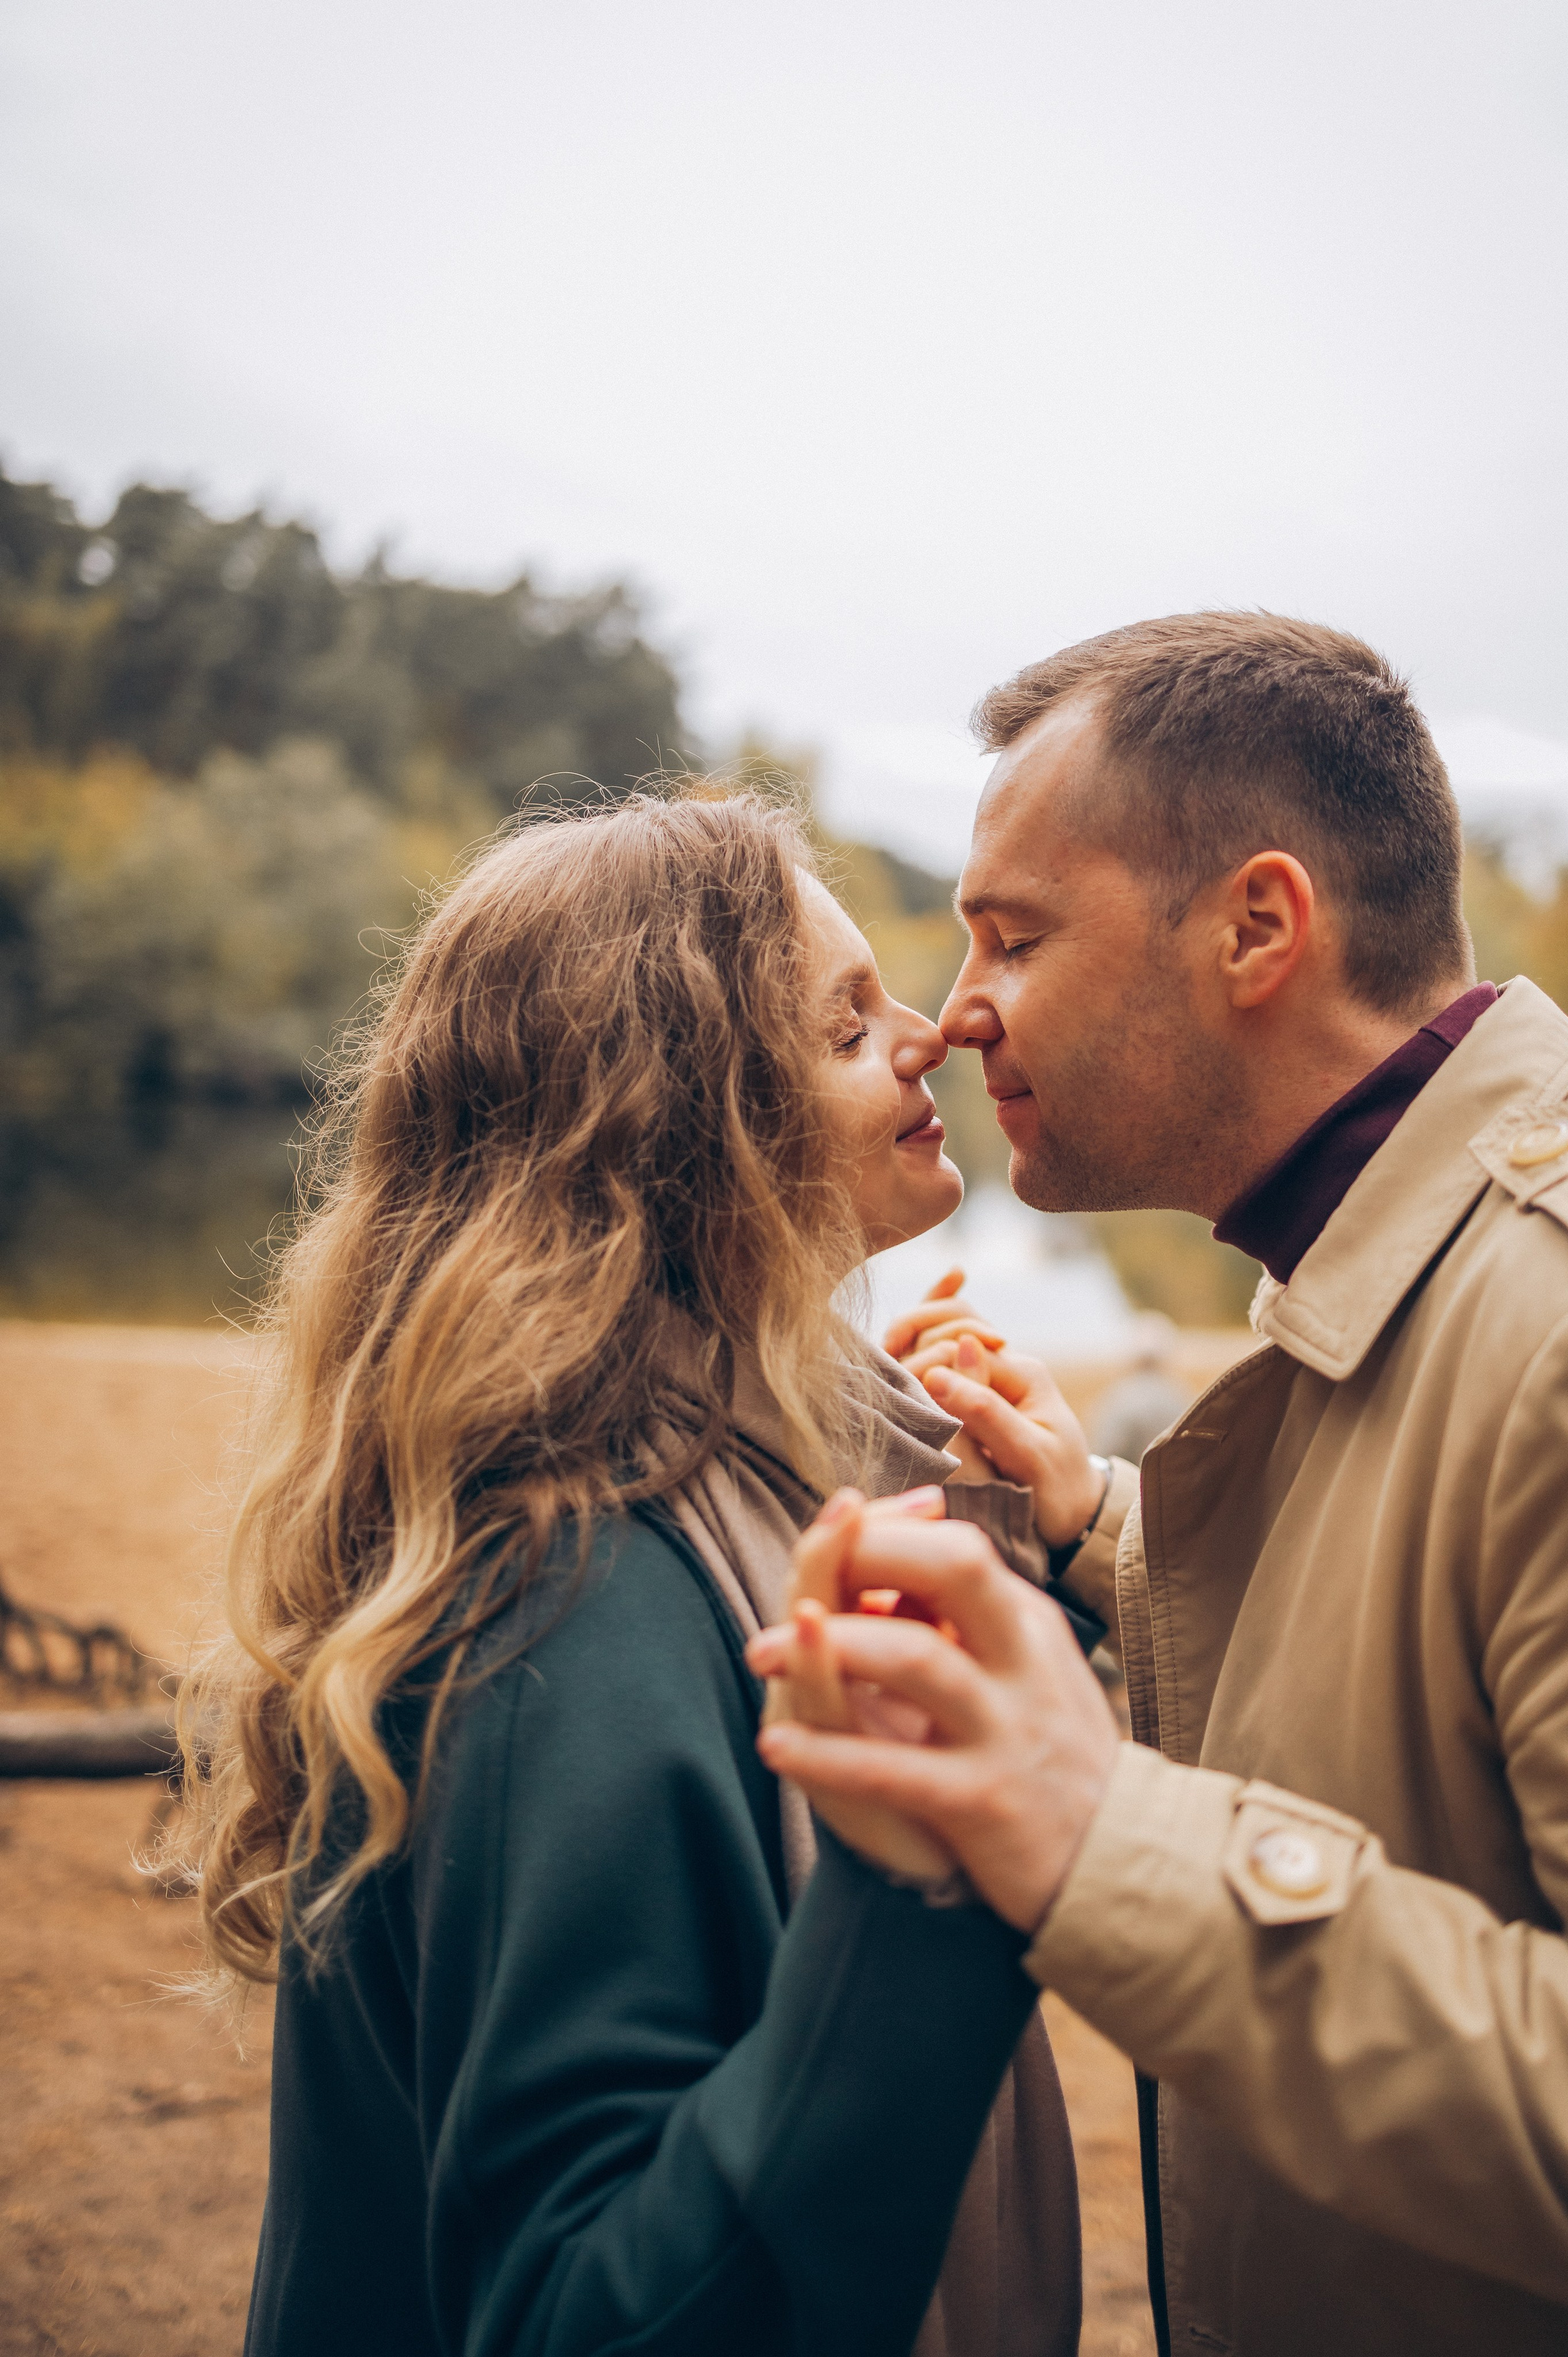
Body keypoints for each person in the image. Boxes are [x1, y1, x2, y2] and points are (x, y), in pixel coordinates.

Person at [751, 614, 1568, 2357]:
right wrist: (1105, 1534)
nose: (957, 1016)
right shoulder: (1430, 1259)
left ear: (1258, 926)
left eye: (1011, 937)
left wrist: (1102, 1830)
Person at [172, 790, 1095, 2357]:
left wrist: (1043, 1547)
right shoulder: (569, 1592)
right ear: (682, 1123)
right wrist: (935, 1878)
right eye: (844, 1018)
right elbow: (587, 2317)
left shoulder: (767, 1467)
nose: (929, 1032)